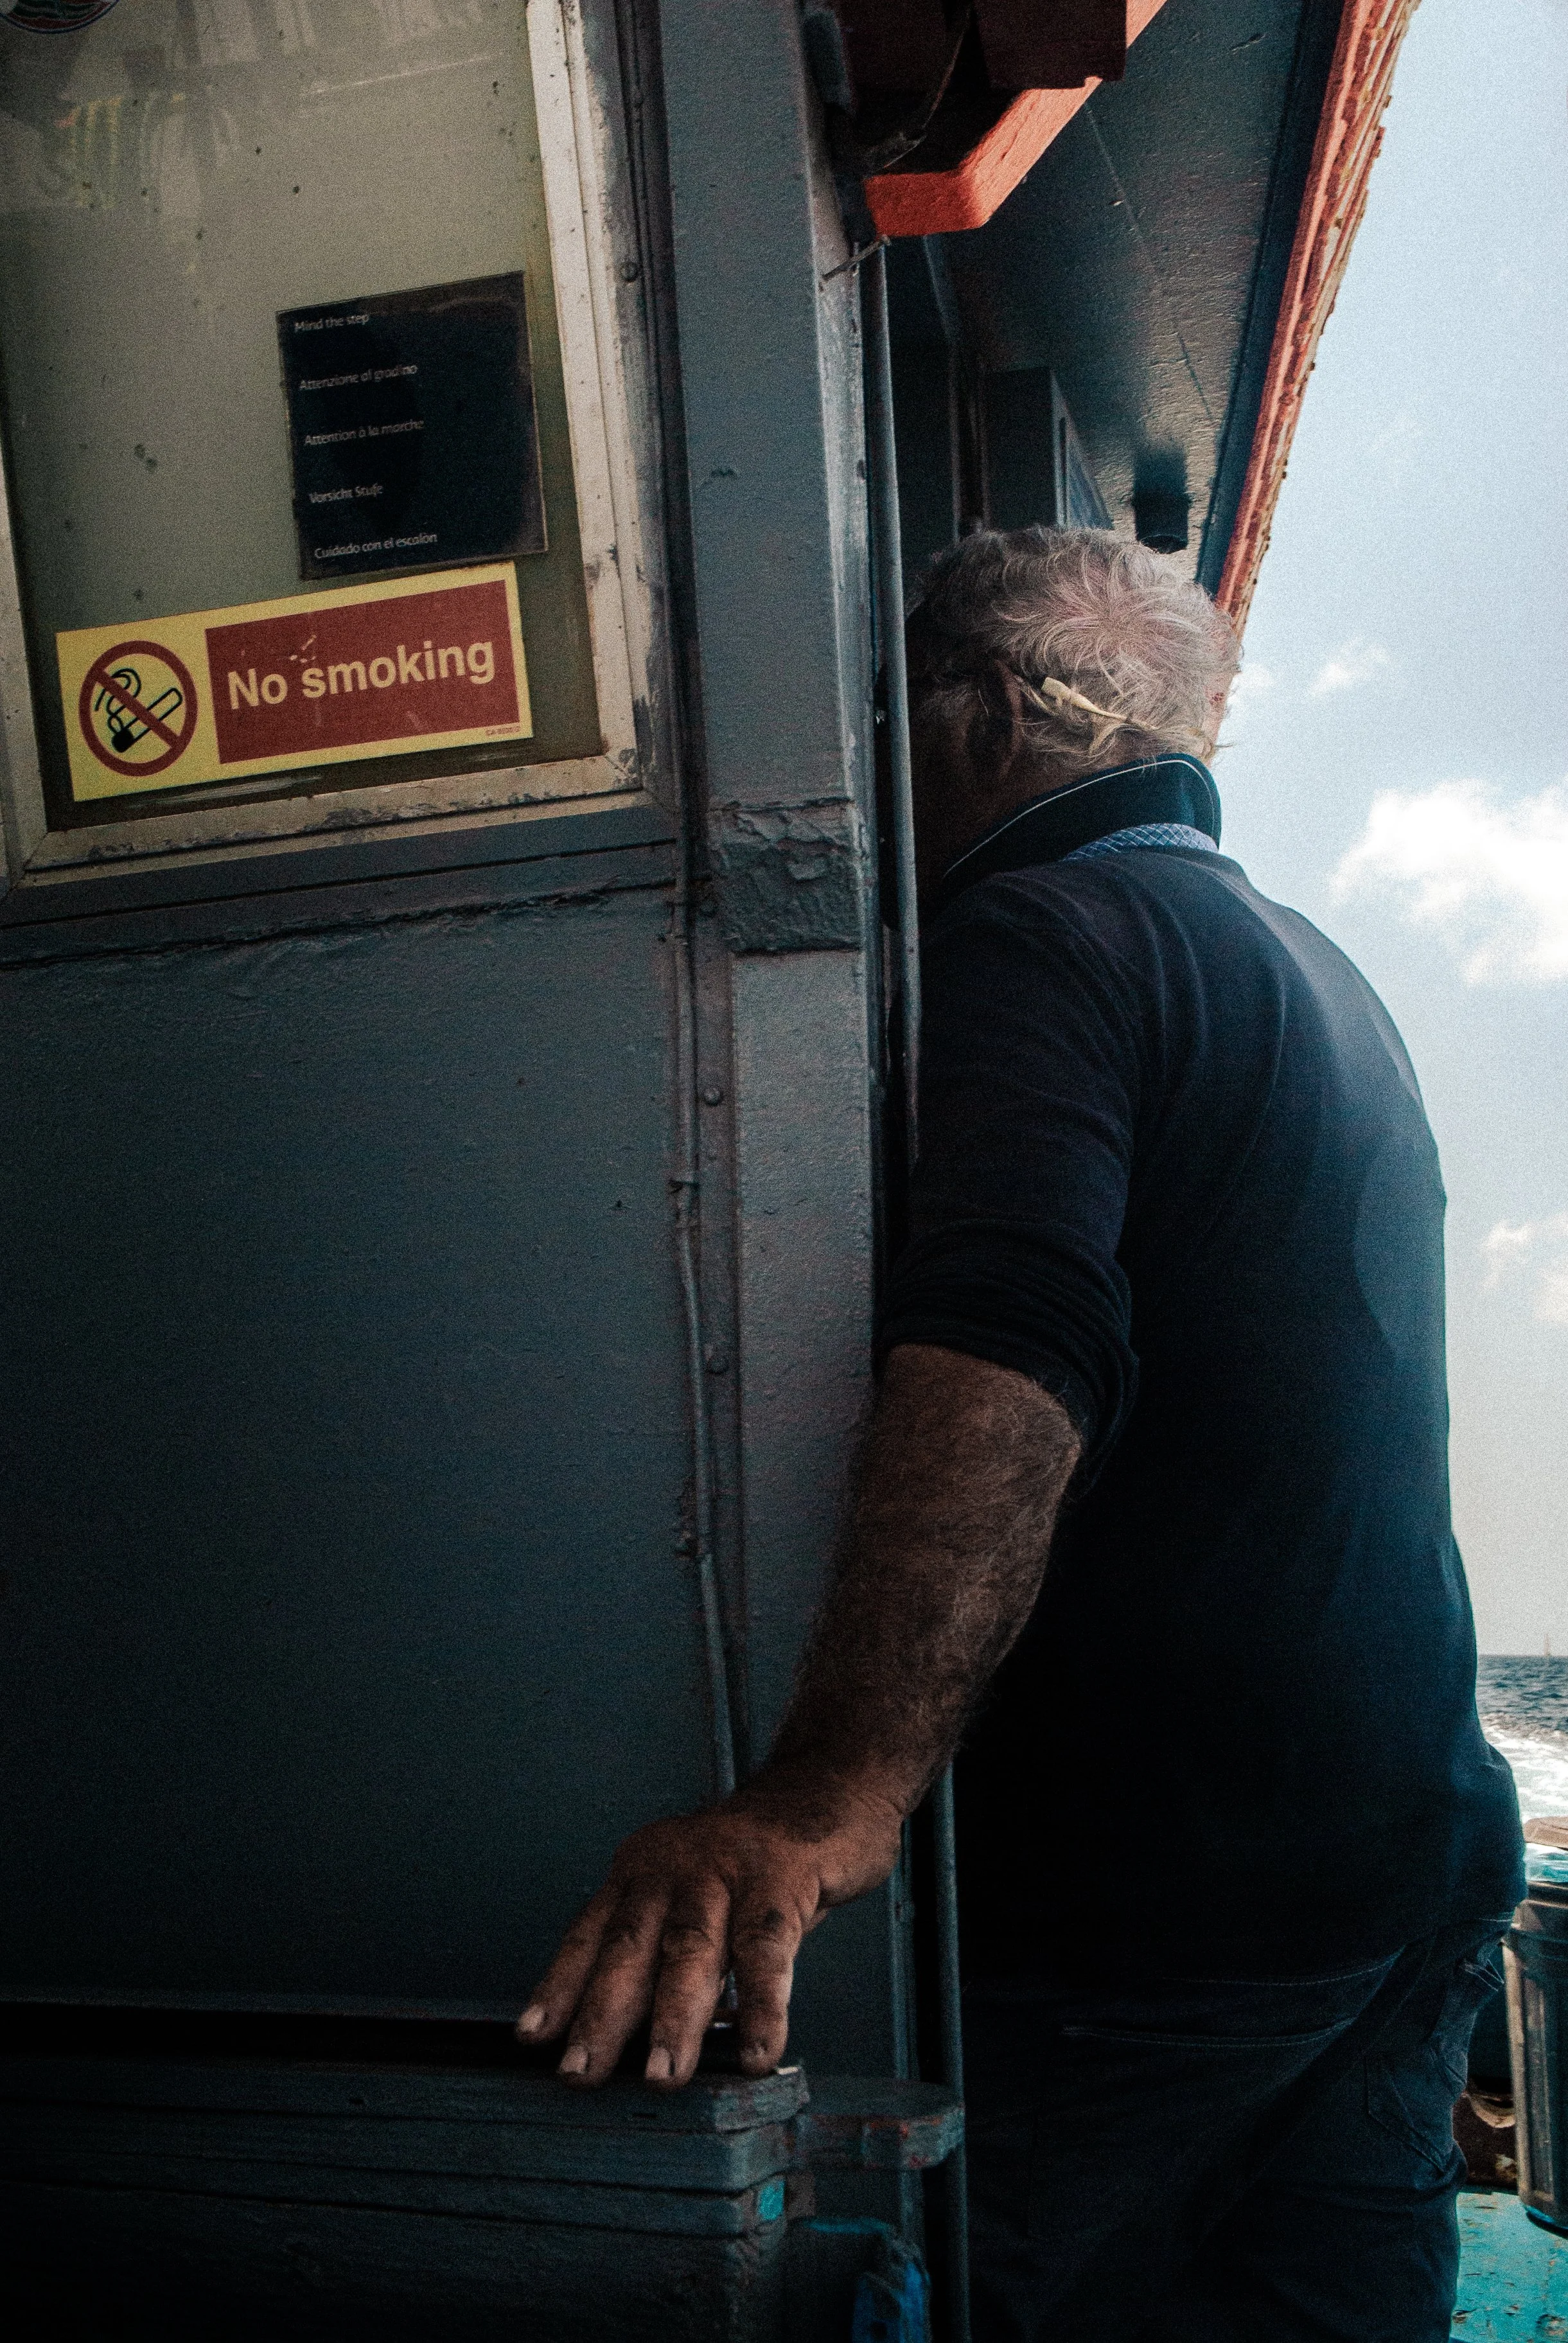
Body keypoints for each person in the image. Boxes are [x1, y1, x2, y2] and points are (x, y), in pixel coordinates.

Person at [517, 528, 1524, 2339]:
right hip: (1407, 1862)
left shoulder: (1047, 935)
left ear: (978, 712)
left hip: (1174, 1917)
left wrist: (827, 1800)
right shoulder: (1316, 968)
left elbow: (1009, 1356)